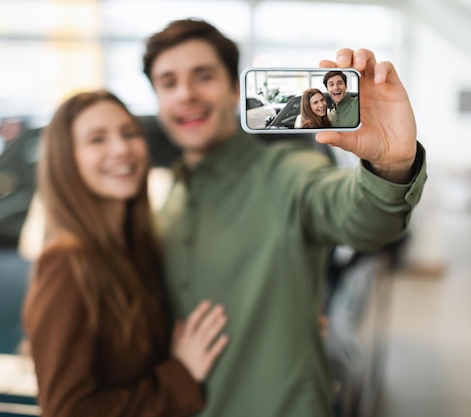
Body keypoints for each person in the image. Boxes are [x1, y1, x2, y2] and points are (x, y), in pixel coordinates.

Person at [142, 18, 426, 416]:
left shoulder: (289, 174)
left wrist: (392, 166)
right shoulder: (171, 190)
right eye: (168, 82)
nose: (185, 93)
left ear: (235, 89)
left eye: (203, 76)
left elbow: (361, 216)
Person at [21, 89, 230, 417]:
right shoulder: (67, 262)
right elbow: (67, 411)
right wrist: (180, 375)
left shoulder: (134, 249)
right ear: (66, 160)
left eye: (129, 133)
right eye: (97, 139)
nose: (121, 149)